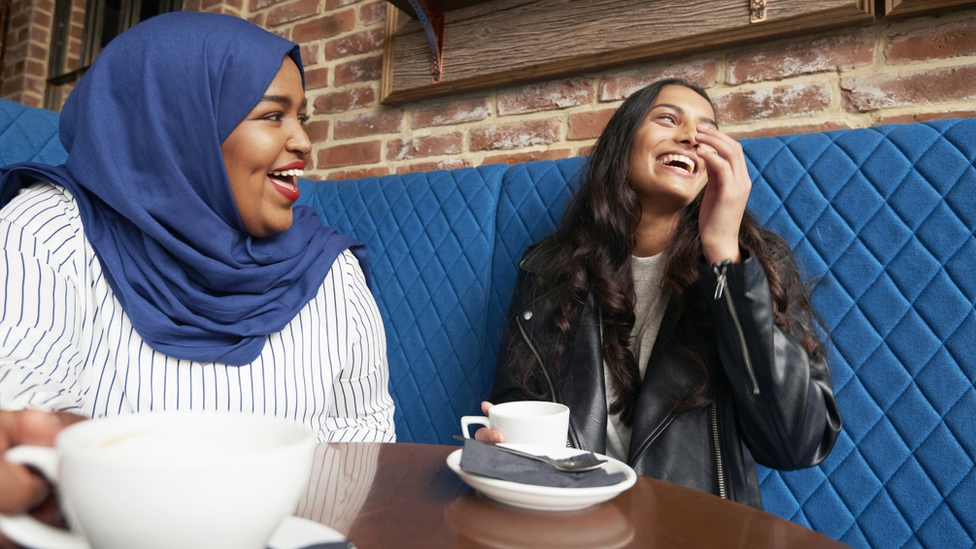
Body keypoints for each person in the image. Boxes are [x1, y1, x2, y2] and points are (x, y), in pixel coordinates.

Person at [0, 11, 395, 529]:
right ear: (180, 123)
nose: (303, 142)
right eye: (274, 116)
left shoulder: (332, 271)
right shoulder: (50, 232)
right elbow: (21, 417)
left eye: (302, 118)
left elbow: (364, 445)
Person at [479, 79, 841, 508]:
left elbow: (797, 444)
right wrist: (500, 446)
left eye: (706, 132)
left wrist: (724, 257)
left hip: (688, 528)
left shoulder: (751, 264)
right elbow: (516, 407)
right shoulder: (547, 266)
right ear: (622, 143)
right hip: (567, 517)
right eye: (668, 119)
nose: (690, 137)